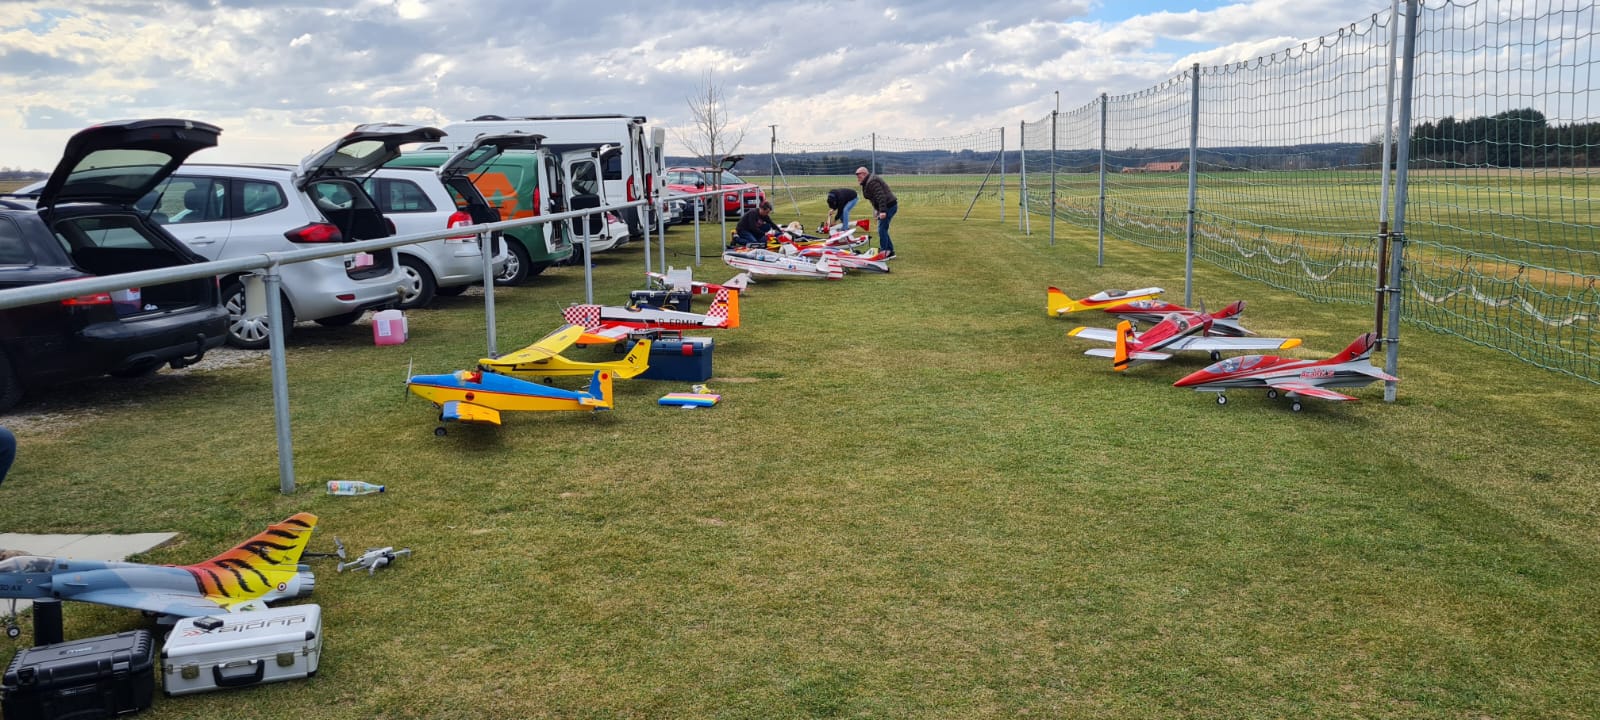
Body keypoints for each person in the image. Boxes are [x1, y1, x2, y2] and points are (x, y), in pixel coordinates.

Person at [856, 167, 898, 257]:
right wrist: (877, 210)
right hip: (886, 206)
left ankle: (884, 252)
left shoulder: (872, 182)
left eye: (859, 176)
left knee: (882, 229)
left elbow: (881, 196)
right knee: (883, 228)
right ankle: (889, 250)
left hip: (889, 206)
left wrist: (882, 211)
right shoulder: (867, 182)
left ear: (864, 174)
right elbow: (874, 198)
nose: (857, 178)